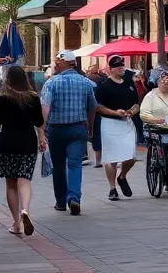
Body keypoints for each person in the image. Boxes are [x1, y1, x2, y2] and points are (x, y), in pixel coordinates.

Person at [40, 50, 97, 216]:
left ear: (67, 63)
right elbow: (92, 106)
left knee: (58, 166)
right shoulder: (85, 83)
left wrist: (42, 129)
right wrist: (91, 126)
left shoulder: (52, 83)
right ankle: (74, 197)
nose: (56, 63)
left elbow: (45, 107)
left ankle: (60, 201)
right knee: (75, 164)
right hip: (78, 128)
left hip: (56, 129)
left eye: (58, 61)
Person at [0, 65, 45, 237]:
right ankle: (26, 211)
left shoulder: (2, 99)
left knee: (11, 183)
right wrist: (42, 138)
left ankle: (16, 223)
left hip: (8, 142)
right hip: (28, 141)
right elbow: (39, 121)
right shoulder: (33, 98)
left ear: (8, 79)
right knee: (24, 179)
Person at [94, 56, 140, 201]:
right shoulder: (104, 86)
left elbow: (136, 103)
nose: (121, 68)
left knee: (131, 156)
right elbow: (98, 107)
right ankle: (112, 188)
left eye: (122, 66)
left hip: (127, 122)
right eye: (118, 66)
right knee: (111, 158)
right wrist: (115, 112)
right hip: (110, 123)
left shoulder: (129, 83)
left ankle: (123, 176)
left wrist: (132, 111)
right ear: (110, 69)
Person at [84, 61, 105, 168]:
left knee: (86, 135)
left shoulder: (86, 80)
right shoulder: (102, 80)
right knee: (97, 135)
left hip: (86, 111)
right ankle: (98, 160)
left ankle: (83, 156)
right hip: (98, 110)